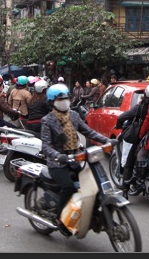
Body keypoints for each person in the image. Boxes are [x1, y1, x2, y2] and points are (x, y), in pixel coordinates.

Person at [40, 83, 111, 235]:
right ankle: (61, 220)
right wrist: (58, 156)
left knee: (91, 186)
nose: (64, 101)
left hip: (76, 159)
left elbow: (88, 132)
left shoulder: (74, 115)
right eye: (60, 99)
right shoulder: (48, 120)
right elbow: (46, 146)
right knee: (69, 187)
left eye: (66, 98)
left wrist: (106, 140)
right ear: (52, 102)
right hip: (58, 163)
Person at [115, 83, 149, 198]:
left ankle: (125, 190)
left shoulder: (142, 106)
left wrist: (118, 126)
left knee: (129, 163)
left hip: (145, 138)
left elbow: (122, 117)